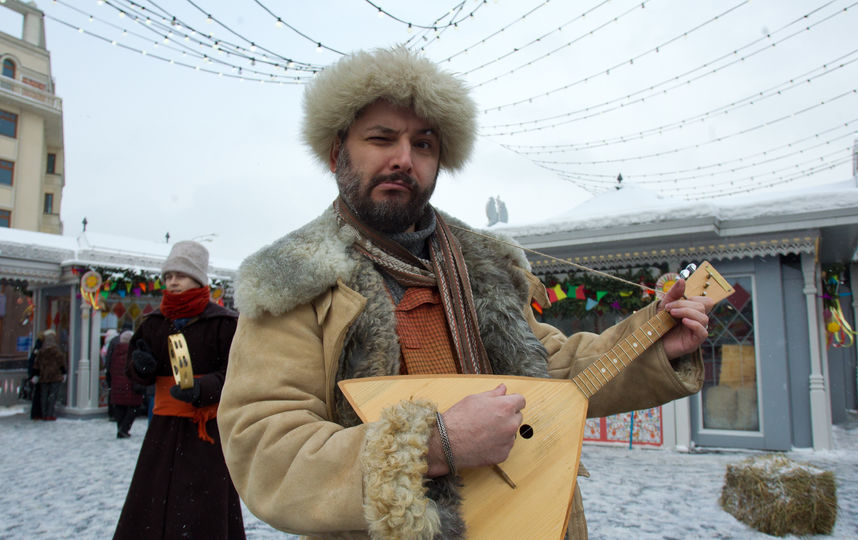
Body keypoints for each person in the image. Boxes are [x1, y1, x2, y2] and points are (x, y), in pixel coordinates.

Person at [217, 46, 712, 539]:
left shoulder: (485, 263)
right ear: (336, 153)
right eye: (381, 138)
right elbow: (268, 449)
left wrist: (656, 343)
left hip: (528, 515)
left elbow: (550, 374)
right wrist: (434, 444)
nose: (403, 159)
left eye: (423, 145)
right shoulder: (292, 278)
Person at [114, 241, 245, 539]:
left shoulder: (224, 323)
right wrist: (141, 368)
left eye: (181, 275)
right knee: (152, 501)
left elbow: (238, 373)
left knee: (202, 510)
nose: (173, 281)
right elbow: (135, 372)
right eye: (169, 275)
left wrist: (203, 389)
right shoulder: (153, 323)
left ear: (198, 279)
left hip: (205, 433)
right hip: (162, 431)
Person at [106, 330, 142, 438]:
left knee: (120, 407)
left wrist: (111, 383)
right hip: (130, 385)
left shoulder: (115, 351)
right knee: (133, 408)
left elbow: (109, 368)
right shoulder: (133, 353)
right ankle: (124, 429)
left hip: (117, 385)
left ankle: (121, 428)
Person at [31, 329, 66, 421]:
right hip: (55, 376)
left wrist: (36, 374)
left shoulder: (41, 351)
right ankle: (49, 414)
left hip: (44, 376)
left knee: (44, 396)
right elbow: (61, 363)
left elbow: (36, 364)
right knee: (52, 396)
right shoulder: (57, 351)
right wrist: (64, 373)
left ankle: (44, 413)